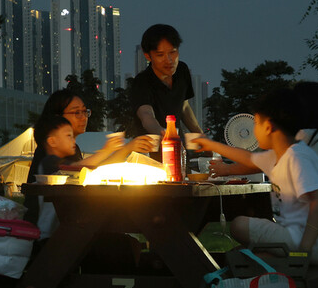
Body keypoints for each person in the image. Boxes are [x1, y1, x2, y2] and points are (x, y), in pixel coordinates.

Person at [194, 89, 318, 265]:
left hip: (313, 244)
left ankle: (289, 259)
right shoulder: (282, 155)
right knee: (238, 257)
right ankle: (277, 260)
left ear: (269, 126)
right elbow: (248, 159)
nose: (253, 129)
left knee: (239, 225)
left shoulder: (297, 157)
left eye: (256, 122)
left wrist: (303, 252)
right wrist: (212, 145)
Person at [24, 89, 153, 224]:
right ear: (57, 117)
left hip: (67, 222)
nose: (83, 117)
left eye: (85, 111)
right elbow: (79, 169)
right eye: (76, 112)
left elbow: (92, 170)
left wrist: (127, 148)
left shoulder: (72, 150)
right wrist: (108, 150)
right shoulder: (48, 153)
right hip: (47, 230)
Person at [130, 24, 204, 158]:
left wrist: (201, 136)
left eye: (173, 52)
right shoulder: (142, 82)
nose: (169, 60)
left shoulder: (182, 70)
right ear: (148, 56)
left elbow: (184, 107)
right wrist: (165, 136)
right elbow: (146, 116)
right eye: (160, 55)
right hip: (150, 154)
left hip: (178, 150)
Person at [31, 115, 80, 238]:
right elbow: (79, 167)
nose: (73, 140)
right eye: (69, 135)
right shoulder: (49, 163)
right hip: (50, 236)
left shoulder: (56, 163)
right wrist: (107, 151)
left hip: (59, 232)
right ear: (52, 141)